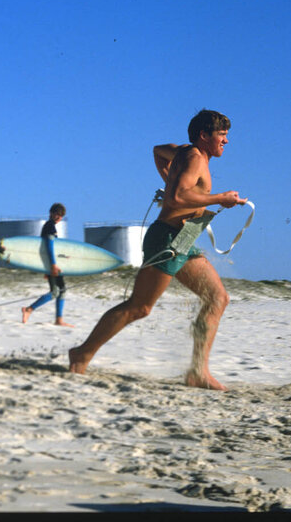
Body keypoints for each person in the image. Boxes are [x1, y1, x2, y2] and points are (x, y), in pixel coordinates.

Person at [68, 109, 246, 390]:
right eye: (222, 135)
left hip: (183, 239)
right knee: (140, 307)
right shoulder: (194, 157)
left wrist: (169, 178)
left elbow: (158, 151)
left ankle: (197, 371)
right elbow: (176, 198)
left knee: (217, 298)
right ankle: (82, 354)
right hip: (167, 239)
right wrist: (219, 198)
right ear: (204, 135)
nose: (226, 141)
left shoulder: (184, 151)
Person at [20, 203, 74, 327]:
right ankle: (29, 309)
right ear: (51, 213)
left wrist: (63, 258)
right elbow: (49, 247)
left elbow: (51, 249)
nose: (58, 217)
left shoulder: (50, 227)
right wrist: (53, 265)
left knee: (61, 290)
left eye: (61, 216)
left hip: (51, 264)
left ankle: (59, 319)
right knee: (56, 291)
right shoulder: (49, 226)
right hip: (52, 264)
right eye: (57, 214)